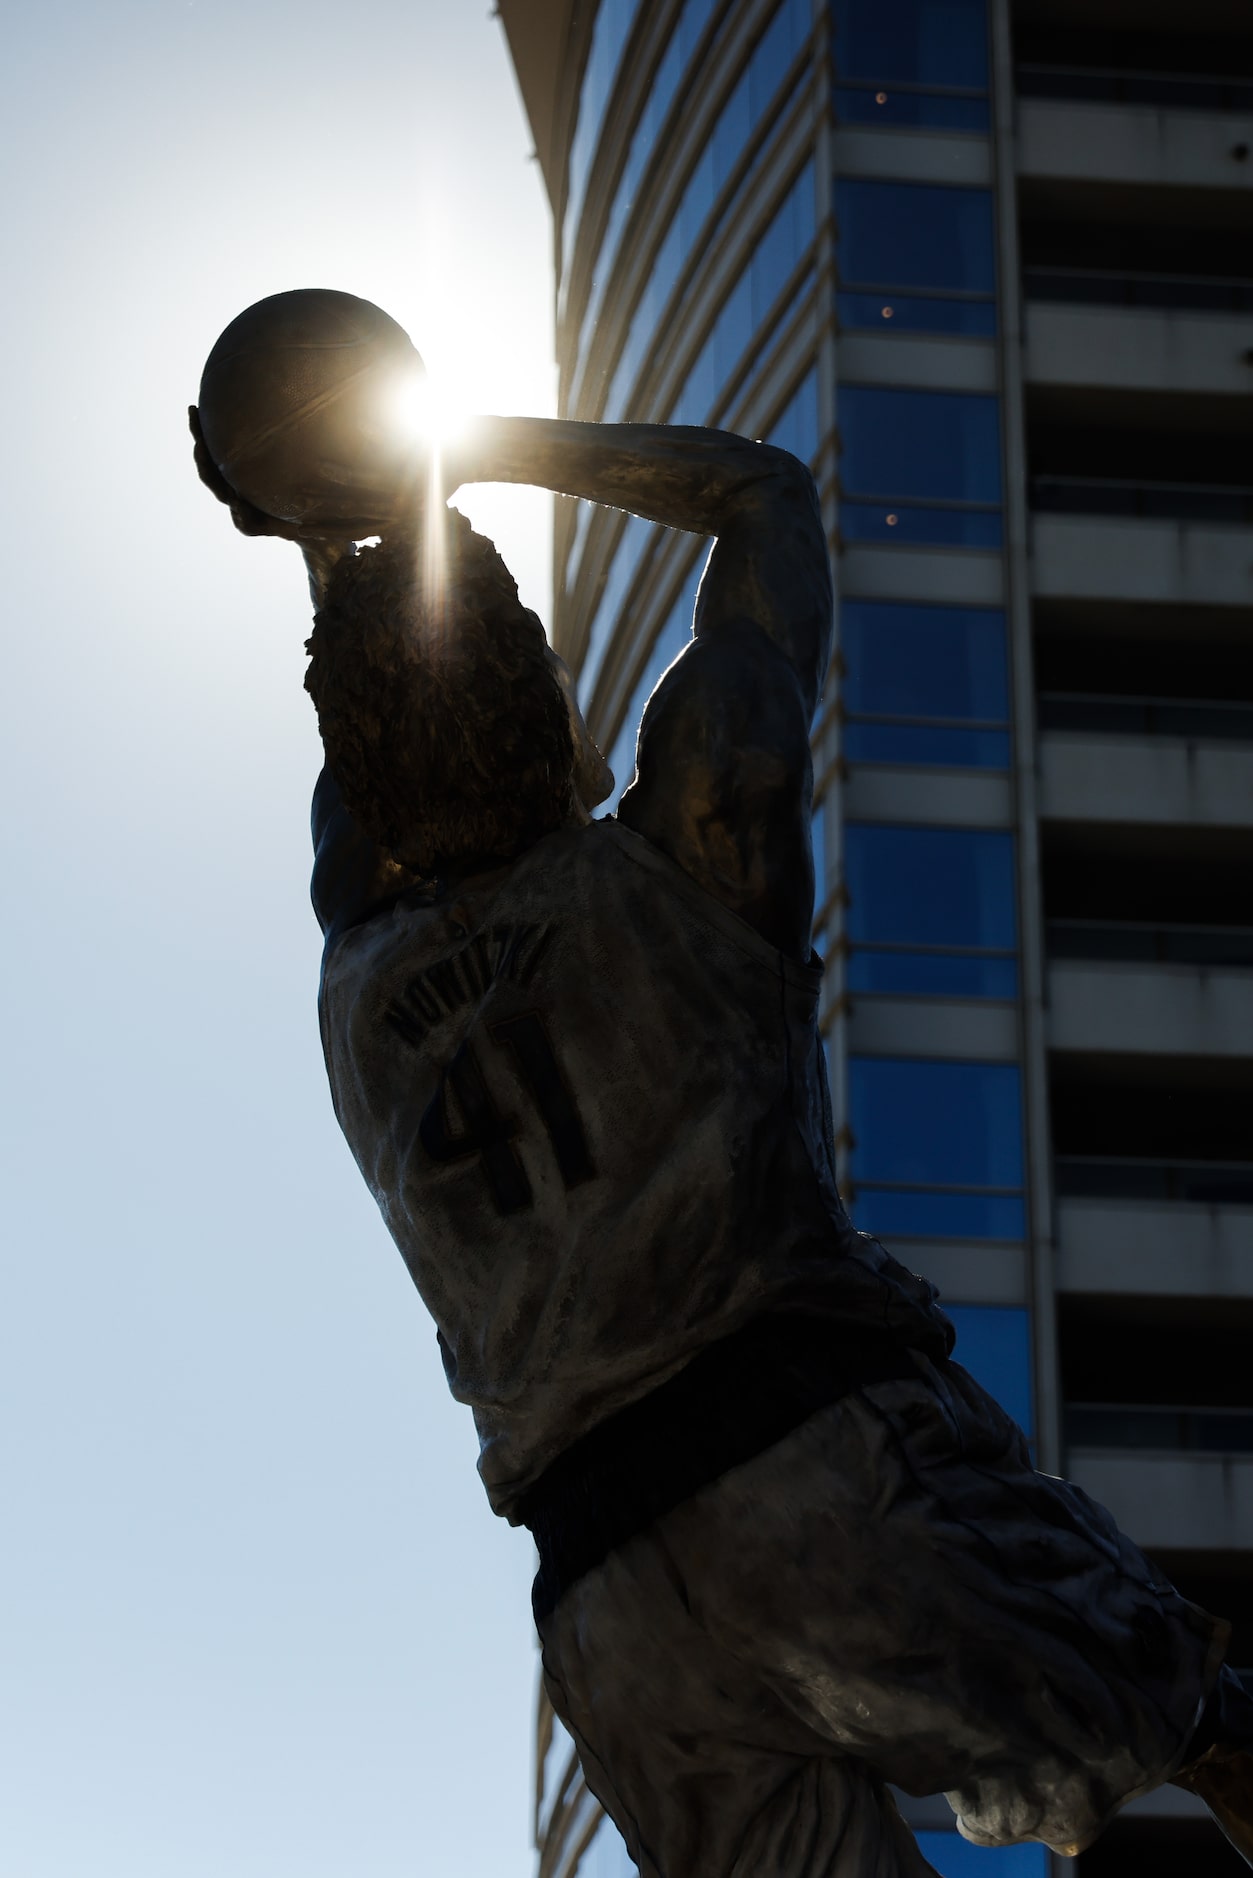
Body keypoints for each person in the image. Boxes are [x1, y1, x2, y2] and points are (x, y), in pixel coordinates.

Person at [193, 410, 1253, 1877]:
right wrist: (455, 448)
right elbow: (760, 496)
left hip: (611, 1604)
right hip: (818, 1470)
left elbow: (359, 795)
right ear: (543, 703)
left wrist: (323, 534)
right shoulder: (691, 844)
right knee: (1211, 1722)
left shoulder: (361, 999)